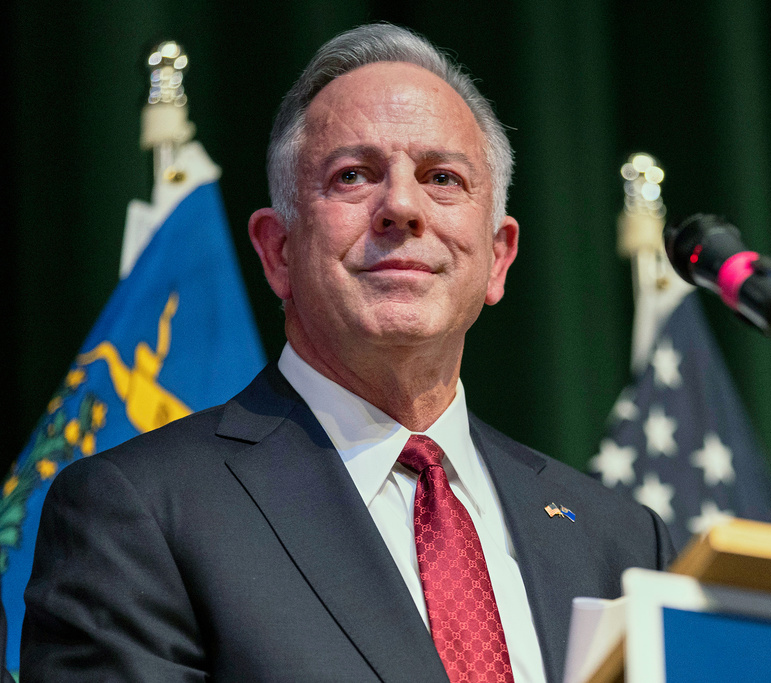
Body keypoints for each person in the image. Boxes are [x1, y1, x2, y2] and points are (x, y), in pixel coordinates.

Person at [21, 23, 673, 682]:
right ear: (278, 251)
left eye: (442, 177)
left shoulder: (622, 541)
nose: (402, 207)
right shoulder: (140, 513)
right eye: (353, 175)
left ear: (498, 258)